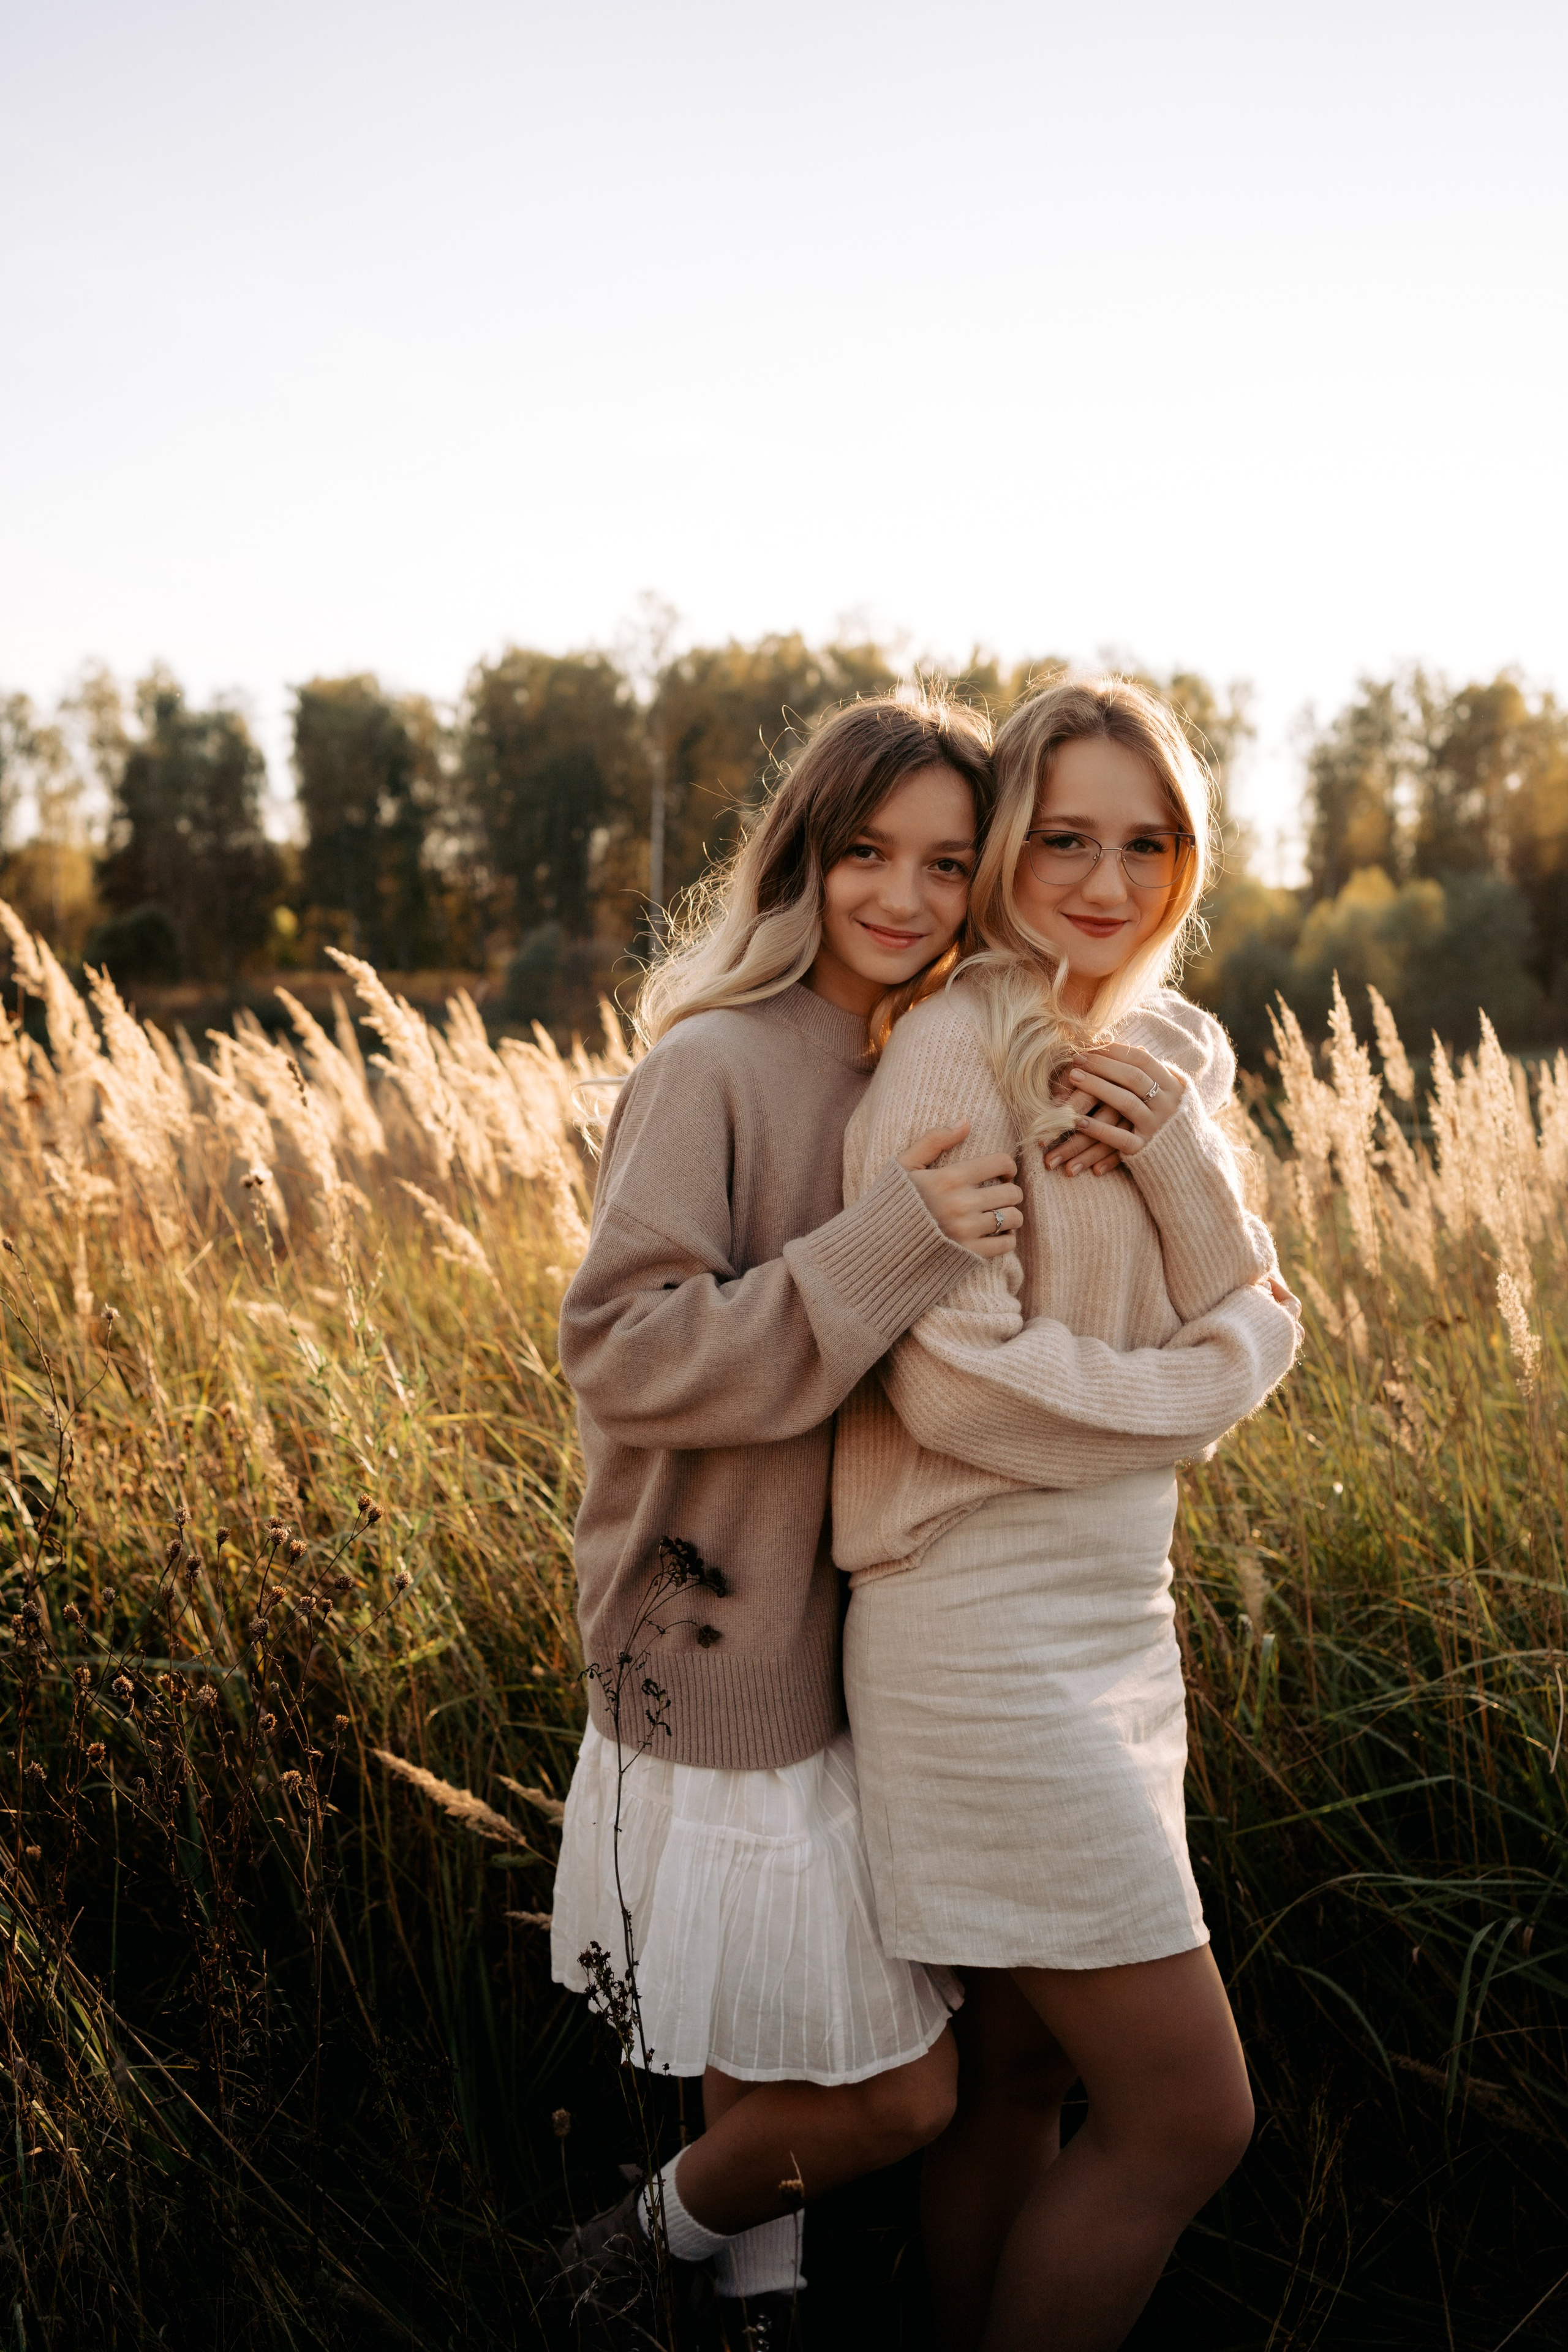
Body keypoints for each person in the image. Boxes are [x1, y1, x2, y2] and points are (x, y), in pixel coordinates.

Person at [545, 692, 1020, 2344]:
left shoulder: (932, 1063)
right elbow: (622, 1348)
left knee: (767, 2031)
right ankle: (631, 2248)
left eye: (948, 865)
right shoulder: (716, 1063)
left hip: (871, 1636)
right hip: (719, 1637)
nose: (905, 896)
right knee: (900, 2097)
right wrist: (893, 1240)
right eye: (868, 851)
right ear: (803, 855)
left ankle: (756, 2309)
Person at [833, 674, 1301, 2352]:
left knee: (1024, 2070)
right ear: (1010, 845)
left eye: (1147, 843)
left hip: (1119, 1622)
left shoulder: (1156, 1057)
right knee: (1190, 2118)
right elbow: (957, 1390)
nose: (1108, 883)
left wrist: (1177, 1155)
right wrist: (1203, 1390)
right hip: (980, 1628)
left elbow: (1252, 1300)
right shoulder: (951, 1053)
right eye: (1066, 841)